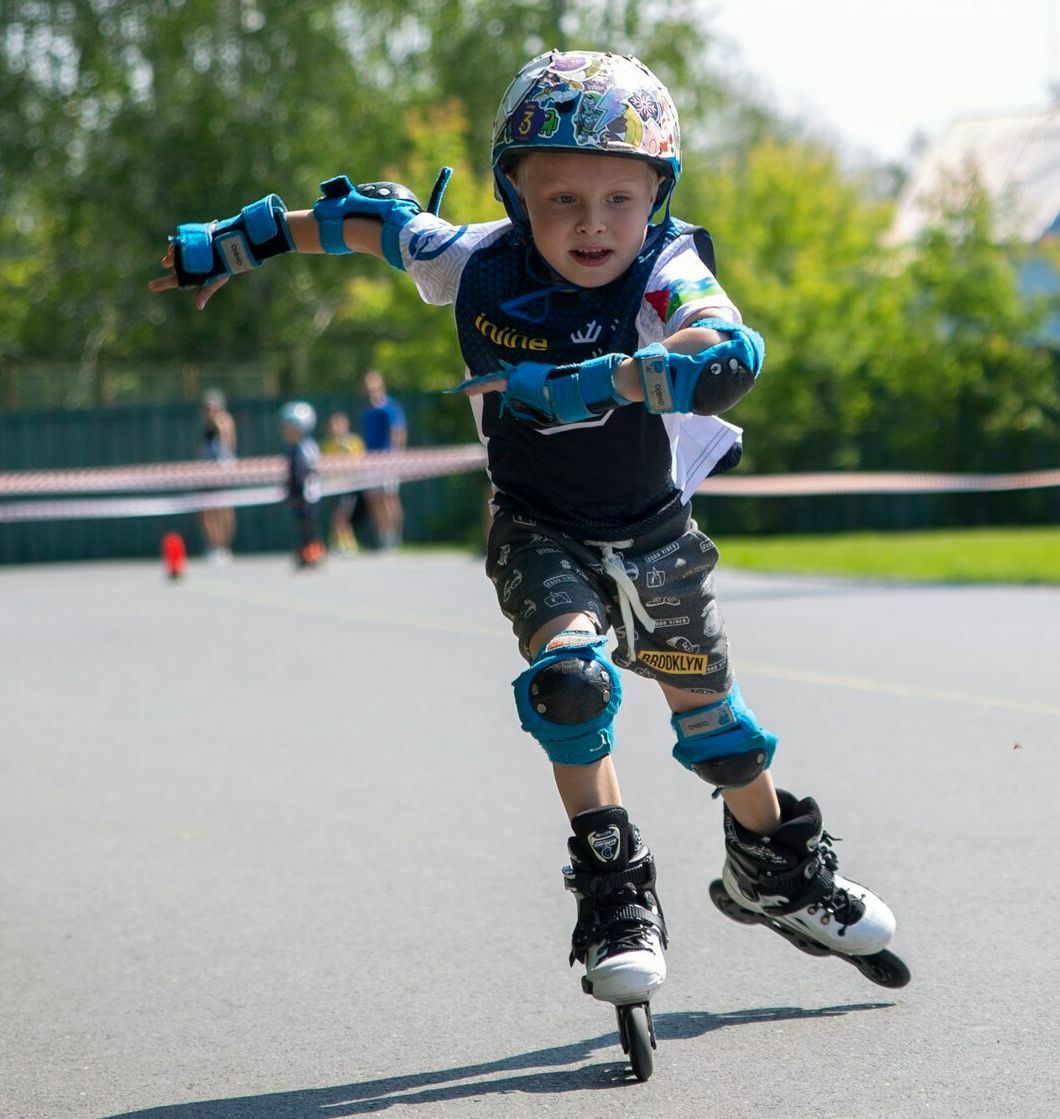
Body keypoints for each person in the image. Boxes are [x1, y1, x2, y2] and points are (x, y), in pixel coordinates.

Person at [150, 49, 905, 1031]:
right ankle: (614, 889)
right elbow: (369, 220)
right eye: (561, 200)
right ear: (515, 193)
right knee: (572, 681)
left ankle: (773, 867)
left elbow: (722, 348)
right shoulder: (476, 263)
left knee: (717, 730)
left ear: (656, 196)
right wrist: (241, 242)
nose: (592, 224)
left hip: (654, 530)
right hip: (537, 522)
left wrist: (617, 379)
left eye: (618, 199)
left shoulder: (667, 265)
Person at [359, 370, 407, 550]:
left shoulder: (390, 406)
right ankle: (383, 536)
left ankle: (394, 538)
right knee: (374, 499)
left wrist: (396, 456)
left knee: (389, 498)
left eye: (373, 384)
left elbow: (398, 432)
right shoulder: (366, 409)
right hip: (370, 460)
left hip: (387, 459)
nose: (369, 388)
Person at [279, 401, 325, 569]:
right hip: (299, 493)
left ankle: (314, 552)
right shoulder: (293, 448)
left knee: (309, 523)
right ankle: (306, 550)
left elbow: (304, 472)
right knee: (302, 523)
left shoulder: (305, 447)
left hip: (308, 493)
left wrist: (297, 488)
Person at [197, 388, 236, 563]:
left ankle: (223, 547)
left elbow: (227, 444)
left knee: (224, 510)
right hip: (207, 472)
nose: (208, 411)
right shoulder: (206, 425)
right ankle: (213, 546)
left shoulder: (224, 421)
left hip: (222, 472)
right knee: (207, 510)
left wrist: (217, 422)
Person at [320, 410, 365, 556]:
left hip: (350, 486)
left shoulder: (353, 442)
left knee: (342, 516)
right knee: (337, 516)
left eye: (339, 424)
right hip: (333, 487)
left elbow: (360, 461)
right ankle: (338, 543)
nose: (335, 428)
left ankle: (347, 544)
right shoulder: (326, 445)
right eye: (333, 425)